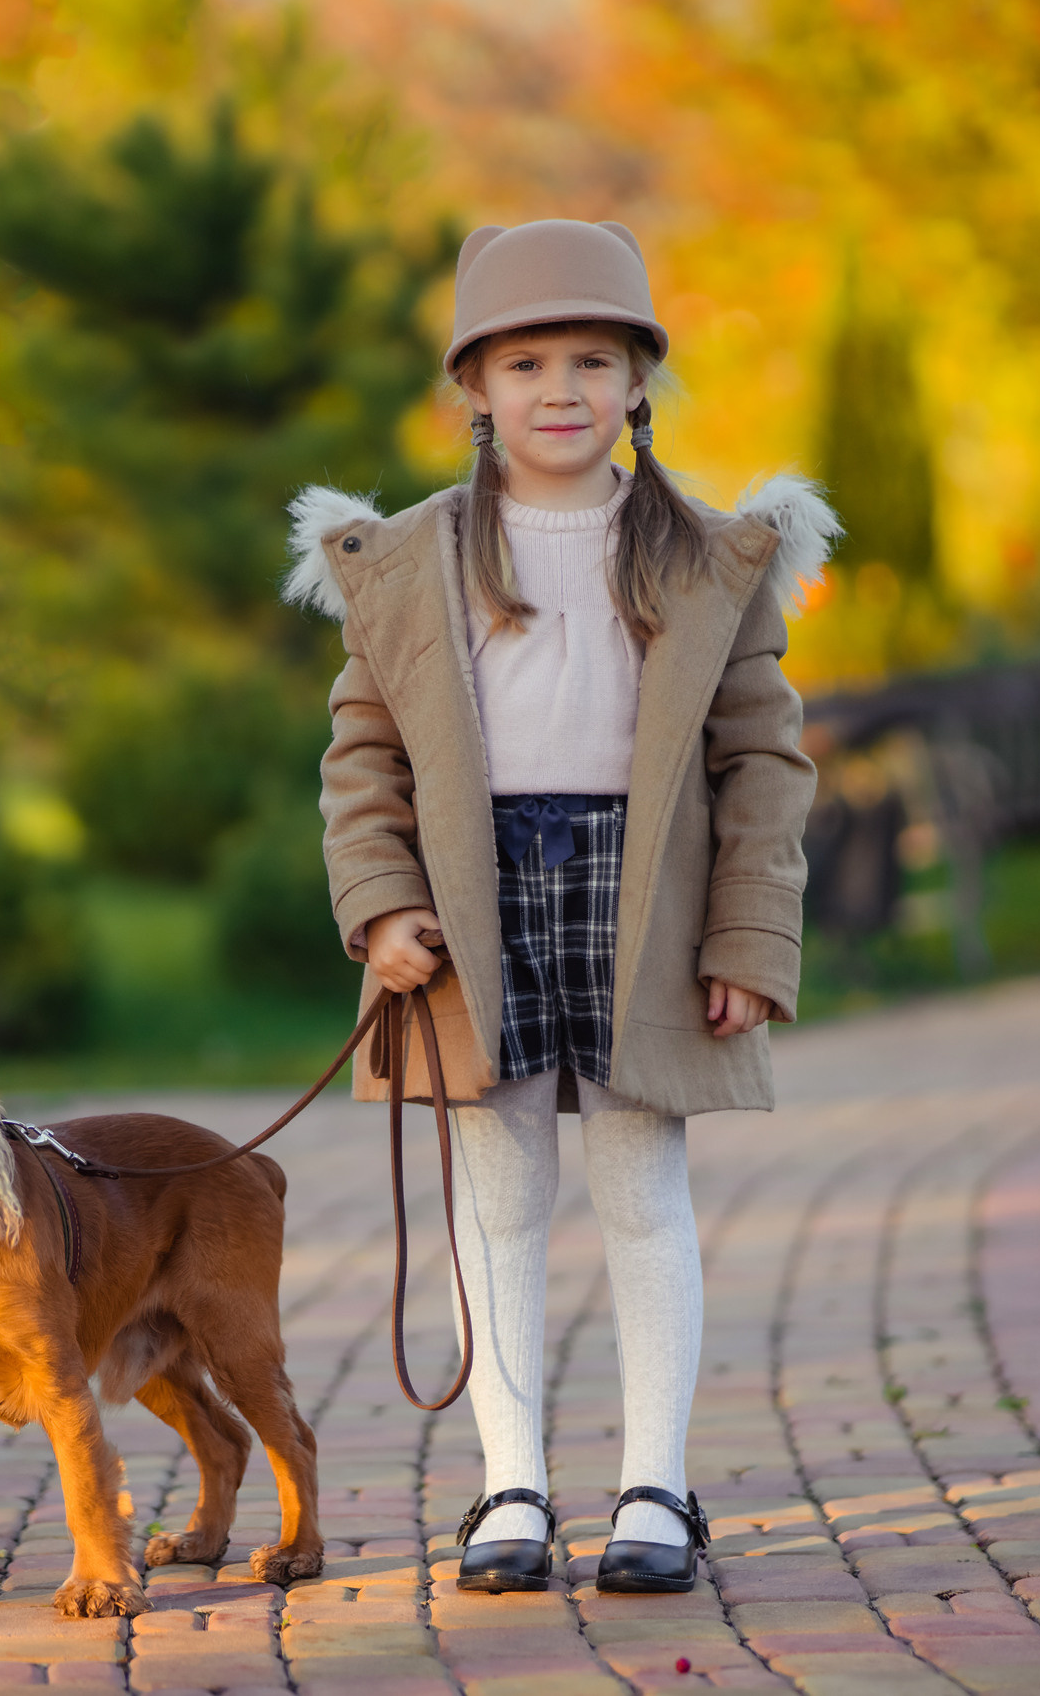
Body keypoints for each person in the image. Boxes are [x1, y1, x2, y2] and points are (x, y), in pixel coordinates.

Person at [283, 219, 834, 1594]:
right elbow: (363, 756)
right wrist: (383, 904)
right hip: (474, 896)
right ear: (474, 386)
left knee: (642, 1188)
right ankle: (508, 1486)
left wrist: (750, 934)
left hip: (646, 892)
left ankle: (657, 1487)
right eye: (524, 361)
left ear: (640, 378)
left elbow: (763, 760)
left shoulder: (709, 559)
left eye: (595, 357)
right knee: (501, 1194)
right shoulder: (409, 562)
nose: (560, 388)